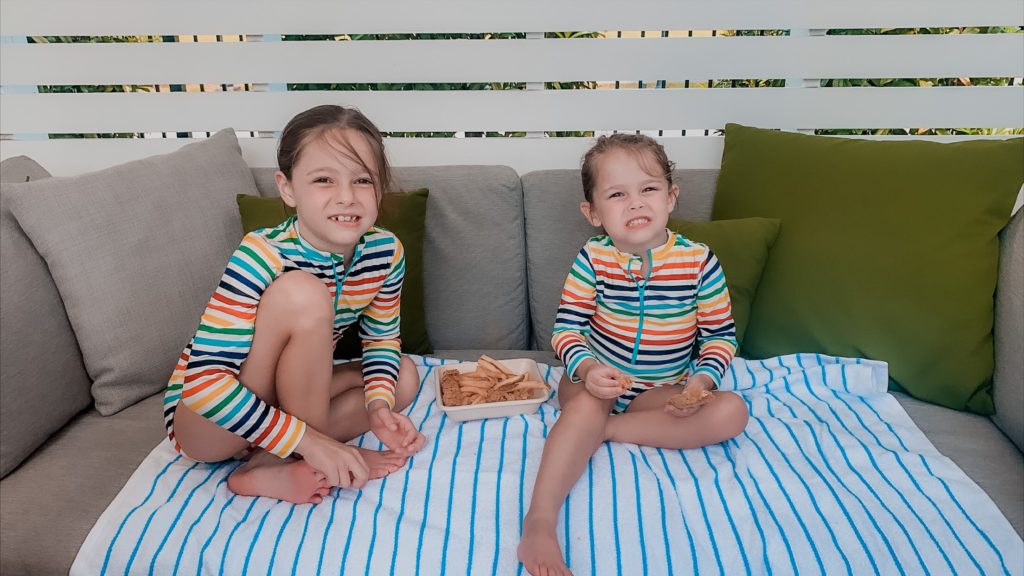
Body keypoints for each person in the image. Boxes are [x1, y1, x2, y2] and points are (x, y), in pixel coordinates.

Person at [163, 105, 426, 505]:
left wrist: (377, 408)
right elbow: (204, 386)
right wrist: (313, 442)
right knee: (302, 292)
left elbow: (381, 341)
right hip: (207, 423)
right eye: (323, 179)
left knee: (402, 377)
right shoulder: (261, 253)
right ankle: (307, 452)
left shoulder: (386, 252)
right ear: (287, 188)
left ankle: (268, 462)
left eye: (362, 180)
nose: (346, 197)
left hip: (281, 407)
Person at [517, 134, 750, 575]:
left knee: (732, 412)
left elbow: (719, 336)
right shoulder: (593, 258)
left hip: (660, 390)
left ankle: (606, 431)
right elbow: (566, 329)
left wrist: (701, 382)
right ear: (593, 213)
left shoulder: (699, 262)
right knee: (586, 403)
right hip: (595, 383)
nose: (635, 203)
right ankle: (540, 520)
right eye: (617, 194)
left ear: (671, 197)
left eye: (648, 189)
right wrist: (586, 368)